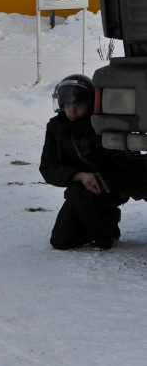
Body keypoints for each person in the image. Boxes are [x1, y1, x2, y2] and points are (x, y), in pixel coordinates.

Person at [40, 74, 146, 250]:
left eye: (78, 105)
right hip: (80, 188)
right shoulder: (56, 128)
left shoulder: (106, 125)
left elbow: (134, 171)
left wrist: (101, 181)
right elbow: (48, 167)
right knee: (61, 241)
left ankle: (105, 239)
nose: (71, 111)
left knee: (77, 194)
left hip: (113, 186)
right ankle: (107, 220)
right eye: (67, 105)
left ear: (90, 103)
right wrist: (79, 176)